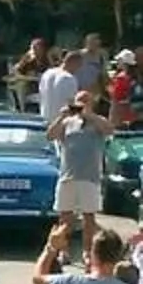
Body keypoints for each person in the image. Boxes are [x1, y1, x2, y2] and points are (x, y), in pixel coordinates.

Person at [50, 90, 114, 255]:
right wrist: (61, 117)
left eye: (85, 101)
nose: (81, 105)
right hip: (67, 175)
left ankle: (87, 251)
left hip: (89, 177)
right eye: (78, 101)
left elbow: (109, 130)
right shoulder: (67, 122)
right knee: (65, 217)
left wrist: (89, 115)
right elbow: (50, 135)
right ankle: (63, 252)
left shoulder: (97, 121)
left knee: (89, 219)